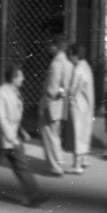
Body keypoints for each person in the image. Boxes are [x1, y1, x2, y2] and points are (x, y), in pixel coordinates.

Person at [0, 66, 47, 208]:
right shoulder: (1, 93)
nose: (23, 78)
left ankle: (35, 195)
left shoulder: (14, 92)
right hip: (1, 139)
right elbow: (1, 118)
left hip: (13, 137)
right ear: (14, 78)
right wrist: (11, 137)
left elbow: (14, 116)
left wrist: (21, 131)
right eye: (20, 76)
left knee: (20, 166)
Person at [39, 35, 73, 176]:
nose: (49, 48)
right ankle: (58, 163)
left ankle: (54, 166)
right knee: (55, 135)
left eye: (51, 46)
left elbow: (52, 90)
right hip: (61, 105)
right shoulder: (69, 64)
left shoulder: (56, 64)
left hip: (51, 104)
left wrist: (42, 106)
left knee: (49, 135)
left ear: (57, 47)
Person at [65, 43, 95, 173]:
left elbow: (72, 89)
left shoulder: (78, 70)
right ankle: (83, 159)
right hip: (88, 104)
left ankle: (77, 165)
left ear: (74, 55)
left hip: (78, 104)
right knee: (85, 131)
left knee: (77, 133)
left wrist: (65, 92)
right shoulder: (86, 66)